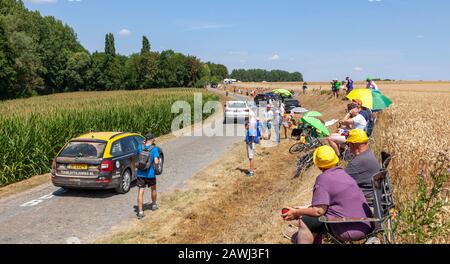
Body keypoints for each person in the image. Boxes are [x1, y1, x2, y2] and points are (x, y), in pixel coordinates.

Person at [282, 145, 373, 244]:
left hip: (348, 229)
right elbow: (329, 203)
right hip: (366, 224)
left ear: (318, 164)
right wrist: (301, 209)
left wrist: (296, 212)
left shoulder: (323, 179)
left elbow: (318, 211)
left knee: (306, 221)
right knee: (316, 219)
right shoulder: (343, 173)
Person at [345, 129, 381, 205]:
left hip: (365, 203)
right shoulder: (369, 154)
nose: (348, 148)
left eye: (348, 144)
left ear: (353, 144)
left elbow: (337, 181)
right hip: (375, 198)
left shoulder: (357, 163)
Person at [136, 133, 160, 219]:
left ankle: (140, 211)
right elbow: (156, 161)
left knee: (140, 191)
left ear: (145, 139)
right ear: (153, 139)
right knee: (153, 189)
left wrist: (143, 143)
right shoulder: (154, 149)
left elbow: (138, 155)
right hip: (150, 174)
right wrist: (157, 168)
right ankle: (154, 205)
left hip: (140, 173)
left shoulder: (139, 147)